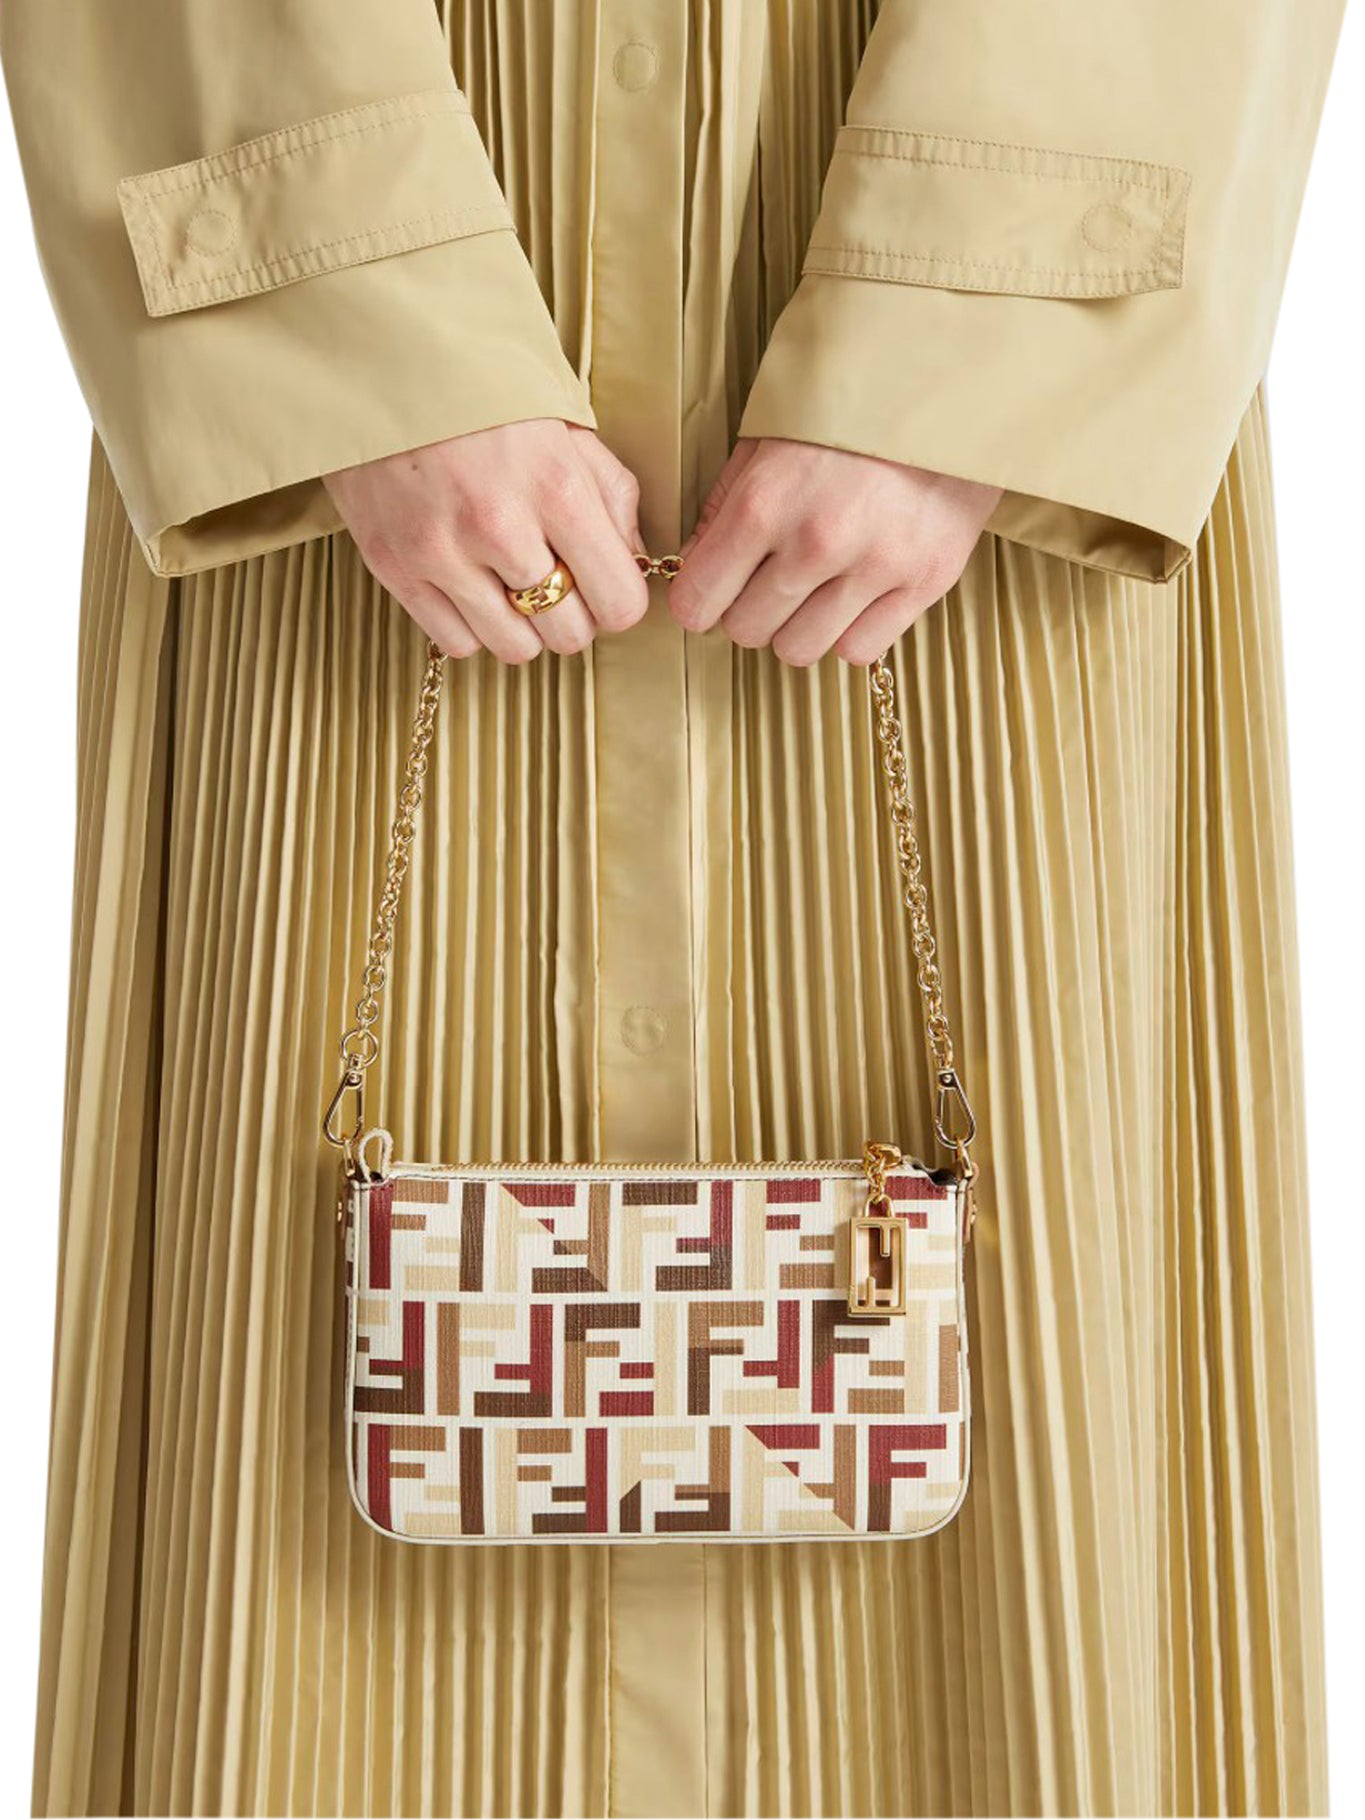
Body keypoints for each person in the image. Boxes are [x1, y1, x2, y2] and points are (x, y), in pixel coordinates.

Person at [1, 2, 1342, 1815]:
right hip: (366, 412)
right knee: (278, 1422)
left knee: (1047, 1380)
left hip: (987, 471)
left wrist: (973, 320)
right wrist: (357, 301)